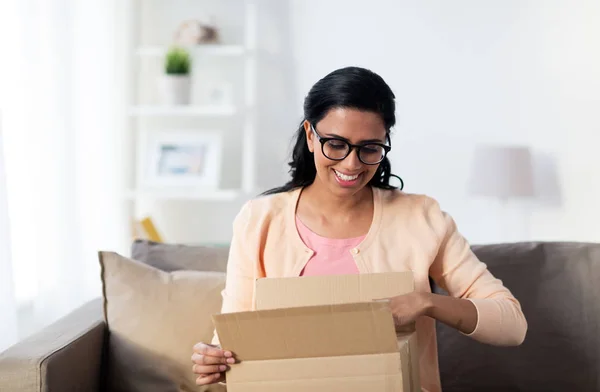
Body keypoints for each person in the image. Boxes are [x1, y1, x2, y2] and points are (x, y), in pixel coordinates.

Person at [191, 66, 527, 392]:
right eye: (335, 144)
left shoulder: (422, 217)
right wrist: (215, 363)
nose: (351, 164)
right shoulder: (260, 220)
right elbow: (233, 345)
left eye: (369, 148)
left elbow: (512, 325)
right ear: (310, 135)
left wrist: (425, 303)